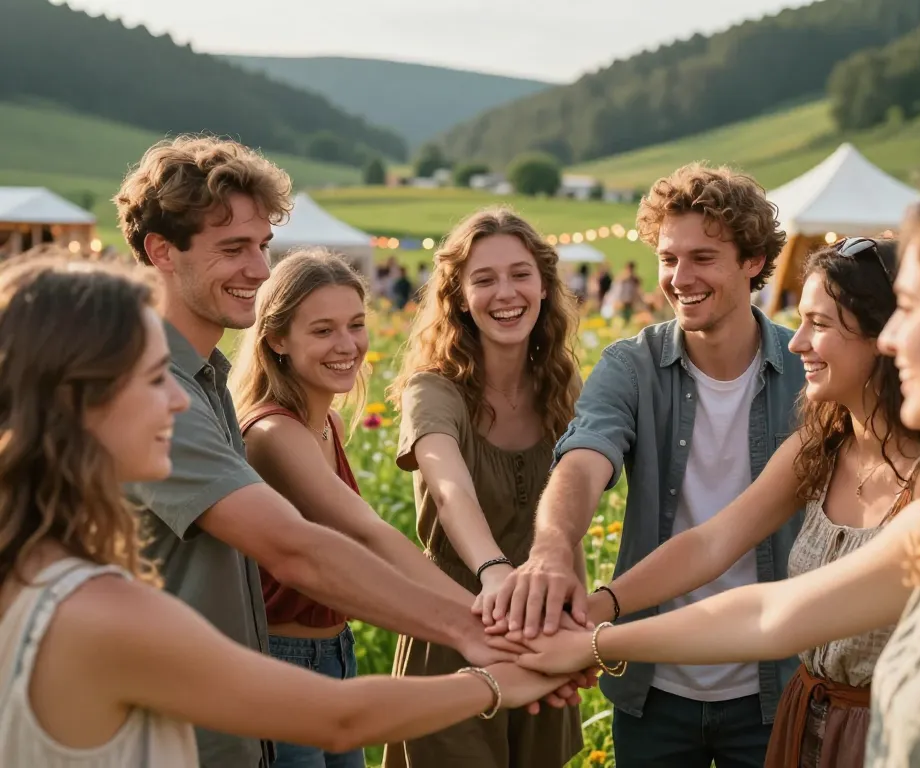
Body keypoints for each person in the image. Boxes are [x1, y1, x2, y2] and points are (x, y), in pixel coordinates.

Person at [513, 178, 920, 768]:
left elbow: (773, 615)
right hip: (791, 720)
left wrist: (587, 640)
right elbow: (764, 604)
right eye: (669, 258)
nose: (894, 339)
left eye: (910, 310)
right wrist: (588, 624)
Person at [0, 254, 574, 768]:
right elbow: (339, 714)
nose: (179, 399)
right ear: (80, 397)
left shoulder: (33, 575)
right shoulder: (102, 609)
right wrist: (497, 677)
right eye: (154, 378)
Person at [114, 136, 540, 767]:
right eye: (233, 248)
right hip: (178, 729)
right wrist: (480, 635)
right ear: (160, 252)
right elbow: (296, 550)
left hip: (228, 714)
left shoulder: (203, 384)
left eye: (261, 246)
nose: (259, 270)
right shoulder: (152, 391)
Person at [569, 238, 920, 767]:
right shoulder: (821, 444)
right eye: (800, 320)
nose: (797, 342)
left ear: (887, 336)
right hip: (805, 725)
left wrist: (594, 645)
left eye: (821, 325)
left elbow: (776, 616)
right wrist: (596, 610)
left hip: (894, 738)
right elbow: (712, 542)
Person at [491, 164, 807, 768]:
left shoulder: (803, 373)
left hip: (774, 685)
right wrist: (554, 546)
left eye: (702, 258)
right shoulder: (631, 364)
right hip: (653, 688)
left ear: (752, 260)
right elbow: (585, 458)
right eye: (668, 258)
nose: (679, 279)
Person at [230, 248, 485, 767]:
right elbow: (370, 535)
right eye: (322, 331)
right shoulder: (273, 433)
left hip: (337, 653)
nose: (347, 345)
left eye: (355, 325)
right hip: (282, 666)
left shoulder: (329, 426)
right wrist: (481, 620)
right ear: (277, 339)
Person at [382, 208, 586, 768]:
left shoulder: (563, 391)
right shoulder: (434, 390)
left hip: (544, 631)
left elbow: (576, 513)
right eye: (484, 279)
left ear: (543, 286)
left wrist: (580, 617)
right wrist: (495, 572)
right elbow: (449, 489)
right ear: (460, 297)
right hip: (454, 629)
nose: (506, 293)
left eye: (520, 274)